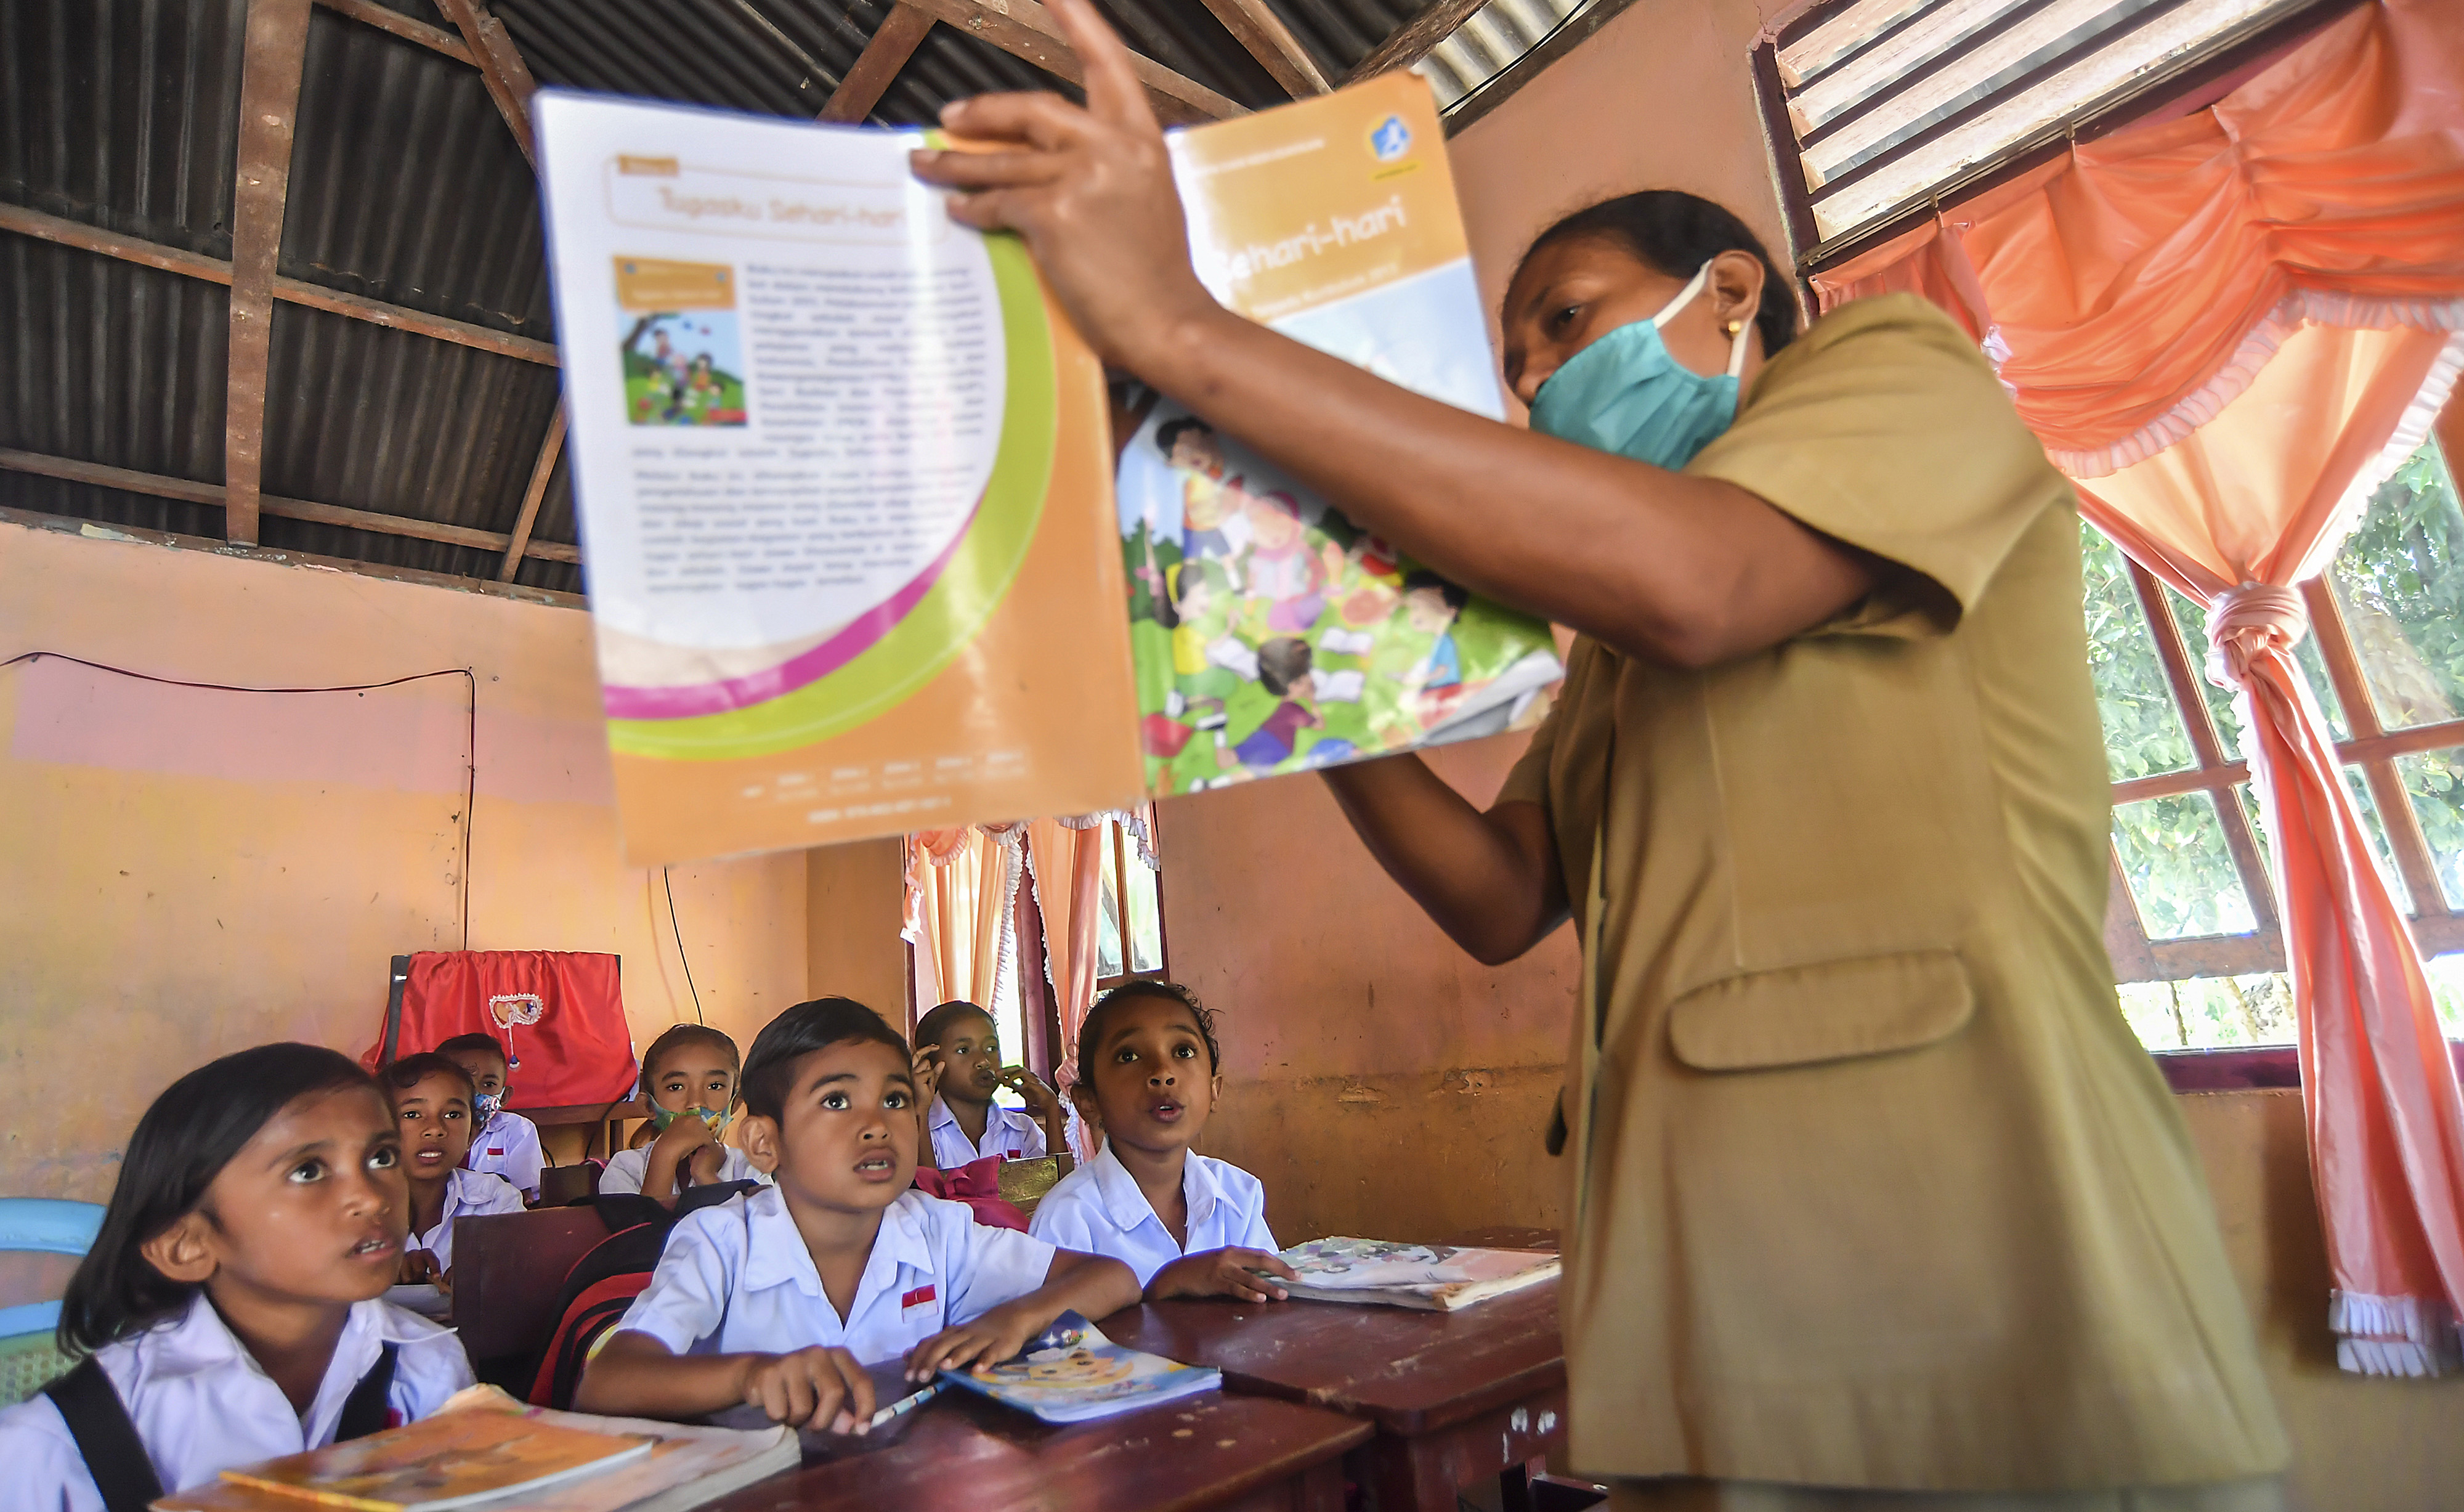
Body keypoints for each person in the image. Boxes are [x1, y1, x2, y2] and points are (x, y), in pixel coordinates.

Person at [909, 4, 2287, 1504]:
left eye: (1565, 319)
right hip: (1705, 1296)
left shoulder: (1897, 374)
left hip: (1982, 1255)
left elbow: (1700, 582)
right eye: (1518, 364)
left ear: (1730, 290)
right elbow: (1499, 896)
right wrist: (1273, 661)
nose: (1543, 383)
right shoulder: (1616, 656)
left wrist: (1186, 330)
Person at [571, 998, 1140, 1431]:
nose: (876, 1124)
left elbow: (1112, 1278)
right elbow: (608, 1383)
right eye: (837, 1101)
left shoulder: (936, 1228)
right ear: (765, 1144)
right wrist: (749, 1375)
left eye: (895, 1100)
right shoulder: (720, 1240)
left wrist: (1016, 1320)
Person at [0, 1045, 472, 1511]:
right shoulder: (57, 1447)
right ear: (186, 1246)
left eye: (383, 1158)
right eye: (308, 1170)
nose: (371, 1199)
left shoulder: (426, 1368)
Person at [1029, 982, 1294, 1304]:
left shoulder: (1238, 1195)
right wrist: (1163, 1289)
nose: (1163, 1072)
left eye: (1183, 1052)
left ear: (1214, 1090)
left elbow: (1275, 1305)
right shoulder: (1069, 1217)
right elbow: (1053, 1340)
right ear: (1088, 1102)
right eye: (1129, 1056)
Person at [381, 1054, 523, 1286]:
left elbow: (519, 1284)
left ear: (472, 1135)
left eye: (453, 1115)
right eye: (412, 1114)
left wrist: (487, 1281)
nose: (435, 1129)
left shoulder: (496, 1202)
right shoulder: (352, 1208)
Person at [600, 1024, 763, 1201]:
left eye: (714, 1086)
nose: (696, 1102)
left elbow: (750, 1228)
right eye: (676, 1087)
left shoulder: (750, 1169)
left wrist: (707, 1177)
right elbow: (643, 1228)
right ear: (648, 1106)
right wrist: (664, 1157)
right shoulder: (625, 1168)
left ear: (735, 1103)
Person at [911, 999, 1064, 1169]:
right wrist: (920, 1110)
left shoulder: (1022, 1130)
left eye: (991, 1048)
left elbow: (1062, 1190)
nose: (984, 1061)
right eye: (964, 1050)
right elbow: (925, 1192)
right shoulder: (922, 1131)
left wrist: (1051, 1109)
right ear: (928, 1064)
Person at [433, 1033, 543, 1203]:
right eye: (463, 1084)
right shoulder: (429, 1131)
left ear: (505, 1097)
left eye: (489, 1084)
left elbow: (527, 1199)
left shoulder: (518, 1129)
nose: (475, 1093)